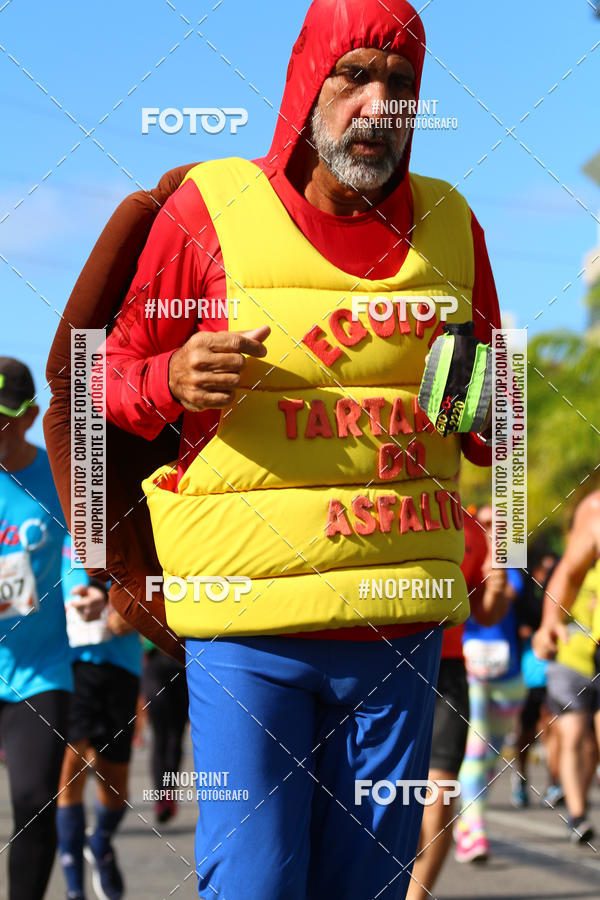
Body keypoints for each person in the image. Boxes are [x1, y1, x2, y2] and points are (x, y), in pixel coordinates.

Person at [49, 0, 501, 895]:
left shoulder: (453, 224)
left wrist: (481, 402)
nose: (378, 104)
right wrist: (169, 375)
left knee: (368, 885)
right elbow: (93, 378)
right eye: (355, 75)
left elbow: (498, 423)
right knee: (254, 881)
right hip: (250, 628)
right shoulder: (207, 211)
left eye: (401, 84)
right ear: (307, 86)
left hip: (396, 622)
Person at [0, 357, 106, 900]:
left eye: (5, 419)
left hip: (38, 671)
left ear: (30, 415)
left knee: (34, 798)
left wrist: (86, 588)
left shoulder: (55, 477)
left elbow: (76, 555)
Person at [406, 508, 508, 899]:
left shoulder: (477, 528)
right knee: (382, 791)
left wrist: (497, 584)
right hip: (383, 664)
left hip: (447, 670)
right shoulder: (390, 505)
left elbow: (487, 612)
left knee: (441, 792)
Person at [56, 540, 142, 900]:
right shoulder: (60, 525)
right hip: (69, 665)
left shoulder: (133, 527)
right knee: (69, 772)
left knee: (115, 786)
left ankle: (100, 841)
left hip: (120, 667)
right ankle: (74, 886)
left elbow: (146, 597)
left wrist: (111, 606)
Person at [454, 505, 525, 863]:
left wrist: (497, 564)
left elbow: (505, 599)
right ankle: (475, 834)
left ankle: (466, 823)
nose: (493, 528)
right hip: (471, 668)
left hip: (509, 672)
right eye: (485, 522)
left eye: (501, 523)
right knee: (476, 751)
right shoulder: (459, 552)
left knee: (490, 758)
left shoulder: (508, 563)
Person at [534, 490, 600, 842]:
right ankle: (577, 813)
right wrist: (549, 623)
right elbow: (567, 575)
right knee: (574, 734)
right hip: (576, 654)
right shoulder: (595, 510)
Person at [511, 549, 562, 809]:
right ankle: (521, 779)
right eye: (543, 571)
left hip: (552, 672)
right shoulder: (523, 593)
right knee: (527, 730)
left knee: (551, 725)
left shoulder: (560, 594)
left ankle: (555, 782)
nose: (546, 576)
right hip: (526, 671)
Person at [141, 637, 189, 824]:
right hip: (156, 663)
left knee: (176, 738)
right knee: (160, 736)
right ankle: (161, 797)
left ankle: (169, 794)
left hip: (182, 664)